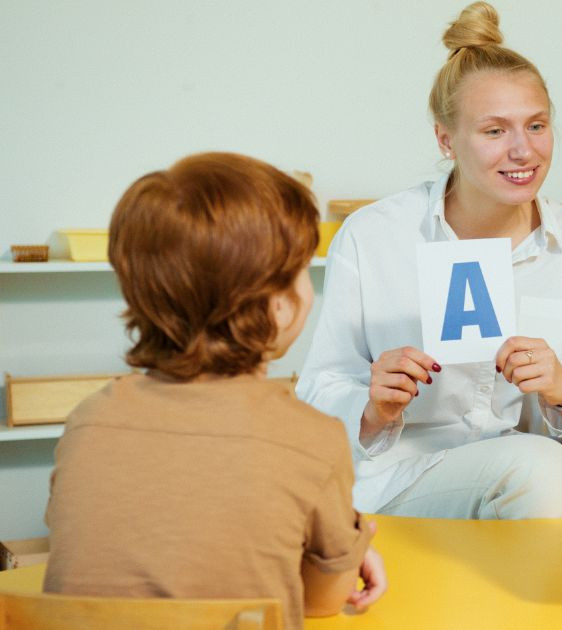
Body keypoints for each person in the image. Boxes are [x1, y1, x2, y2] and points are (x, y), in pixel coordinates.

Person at [297, 1, 562, 519]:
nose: (524, 150)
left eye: (537, 126)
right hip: (410, 471)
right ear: (446, 139)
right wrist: (374, 403)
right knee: (537, 465)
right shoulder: (373, 236)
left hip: (539, 467)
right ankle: (524, 599)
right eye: (495, 131)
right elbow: (321, 386)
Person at [43, 153, 386, 630]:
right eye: (303, 269)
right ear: (282, 307)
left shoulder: (86, 422)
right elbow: (325, 599)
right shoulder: (312, 438)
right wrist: (352, 546)